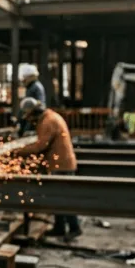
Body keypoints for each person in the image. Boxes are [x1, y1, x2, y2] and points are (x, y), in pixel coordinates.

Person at [12, 97, 81, 241]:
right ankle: (59, 228)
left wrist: (17, 151)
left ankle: (75, 228)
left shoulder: (48, 121)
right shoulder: (49, 117)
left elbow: (40, 146)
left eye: (30, 117)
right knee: (57, 197)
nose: (30, 121)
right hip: (61, 163)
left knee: (64, 198)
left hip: (62, 165)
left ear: (34, 113)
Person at [17, 64, 46, 136]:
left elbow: (40, 104)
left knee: (26, 135)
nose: (23, 80)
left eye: (25, 78)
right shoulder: (31, 87)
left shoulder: (36, 87)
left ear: (30, 77)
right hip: (30, 117)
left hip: (33, 119)